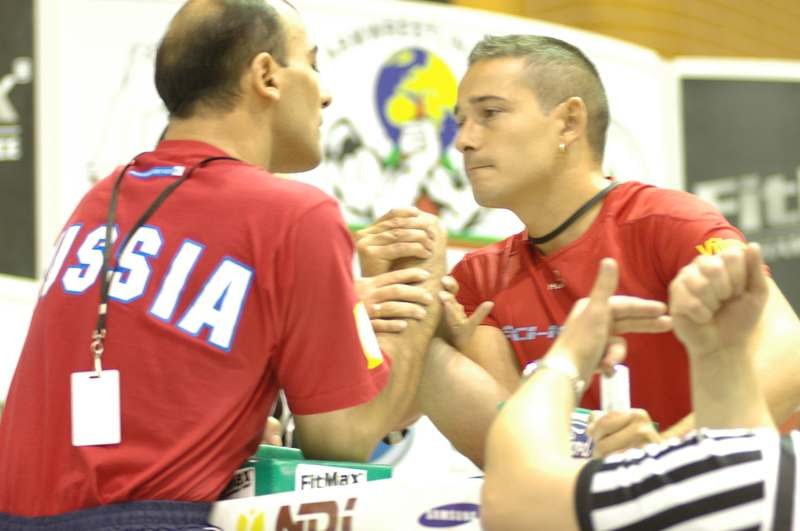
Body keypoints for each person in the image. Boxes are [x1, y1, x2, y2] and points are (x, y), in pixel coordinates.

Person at [0, 0, 447, 526]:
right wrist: (419, 303)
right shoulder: (296, 215)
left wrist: (337, 298)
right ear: (266, 76)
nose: (325, 93)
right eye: (314, 63)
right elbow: (344, 438)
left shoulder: (105, 196)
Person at [418, 34, 800, 462]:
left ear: (569, 122)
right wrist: (423, 327)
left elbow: (789, 356)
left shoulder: (670, 223)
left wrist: (662, 464)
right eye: (460, 120)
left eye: (489, 113)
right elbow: (516, 448)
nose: (463, 140)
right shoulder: (477, 278)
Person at [478, 243, 799, 530]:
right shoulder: (768, 474)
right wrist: (721, 354)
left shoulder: (759, 480)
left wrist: (568, 355)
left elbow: (512, 500)